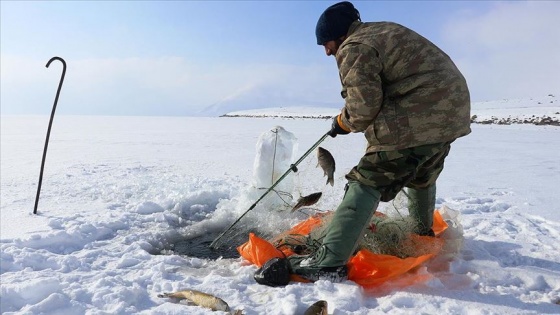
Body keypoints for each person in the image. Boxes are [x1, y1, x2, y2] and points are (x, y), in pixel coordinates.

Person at [254, 1, 471, 286]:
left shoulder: (355, 47)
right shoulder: (382, 31)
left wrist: (342, 122)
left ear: (338, 36)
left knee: (367, 180)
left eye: (326, 43)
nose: (327, 51)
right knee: (420, 173)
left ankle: (327, 263)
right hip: (450, 117)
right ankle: (420, 233)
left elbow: (363, 108)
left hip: (417, 118)